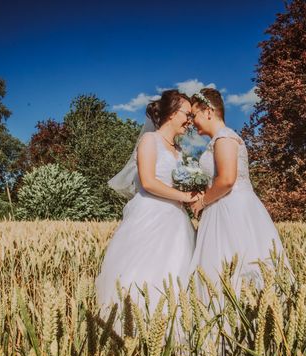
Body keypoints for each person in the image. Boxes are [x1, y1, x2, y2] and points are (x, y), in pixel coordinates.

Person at [95, 90, 201, 327]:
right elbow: (149, 182)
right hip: (150, 216)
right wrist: (185, 196)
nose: (190, 120)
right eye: (187, 114)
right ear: (172, 114)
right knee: (144, 273)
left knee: (175, 274)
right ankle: (135, 327)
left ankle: (171, 332)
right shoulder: (149, 141)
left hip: (176, 222)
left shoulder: (180, 151)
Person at [187, 88, 290, 307]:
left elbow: (226, 180)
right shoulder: (218, 139)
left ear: (208, 111)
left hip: (232, 210)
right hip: (221, 207)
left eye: (194, 115)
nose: (192, 122)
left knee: (237, 263)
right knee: (220, 267)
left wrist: (203, 201)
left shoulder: (225, 138)